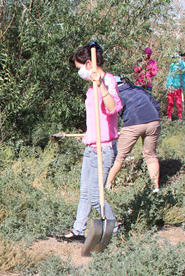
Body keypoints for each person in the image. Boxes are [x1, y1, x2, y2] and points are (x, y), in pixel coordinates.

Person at [61, 42, 122, 241]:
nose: (79, 73)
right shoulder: (90, 87)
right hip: (91, 147)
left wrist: (101, 85)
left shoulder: (108, 80)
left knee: (96, 196)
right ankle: (78, 231)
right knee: (85, 193)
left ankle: (114, 231)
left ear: (89, 64)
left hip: (103, 149)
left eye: (80, 68)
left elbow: (112, 108)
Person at [107, 76, 162, 193]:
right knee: (151, 156)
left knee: (119, 156)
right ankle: (156, 187)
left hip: (133, 125)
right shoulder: (137, 89)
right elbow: (156, 105)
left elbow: (112, 111)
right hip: (154, 122)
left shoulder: (114, 94)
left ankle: (107, 185)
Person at [166, 52, 185, 121]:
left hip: (179, 87)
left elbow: (183, 69)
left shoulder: (183, 64)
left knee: (179, 103)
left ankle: (180, 118)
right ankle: (169, 117)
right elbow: (170, 75)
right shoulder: (172, 65)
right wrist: (168, 85)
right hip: (171, 87)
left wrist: (180, 62)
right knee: (170, 103)